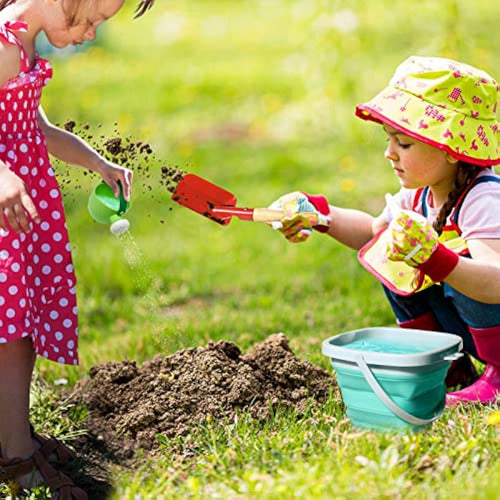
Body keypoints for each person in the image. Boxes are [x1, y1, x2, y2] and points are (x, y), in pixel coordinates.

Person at [268, 56, 500, 406]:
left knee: (455, 258)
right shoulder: (418, 193)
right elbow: (372, 233)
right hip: (472, 325)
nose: (389, 153)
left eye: (403, 143)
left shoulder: (482, 197)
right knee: (390, 249)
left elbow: (495, 282)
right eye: (388, 139)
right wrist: (319, 214)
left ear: (452, 148)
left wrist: (438, 260)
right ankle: (447, 368)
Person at [0, 0, 150, 497]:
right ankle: (16, 461)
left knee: (23, 331)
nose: (88, 34)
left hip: (22, 213)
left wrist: (96, 162)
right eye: (88, 19)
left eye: (98, 26)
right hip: (6, 210)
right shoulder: (2, 45)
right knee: (12, 337)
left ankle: (14, 433)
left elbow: (34, 129)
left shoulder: (22, 45)